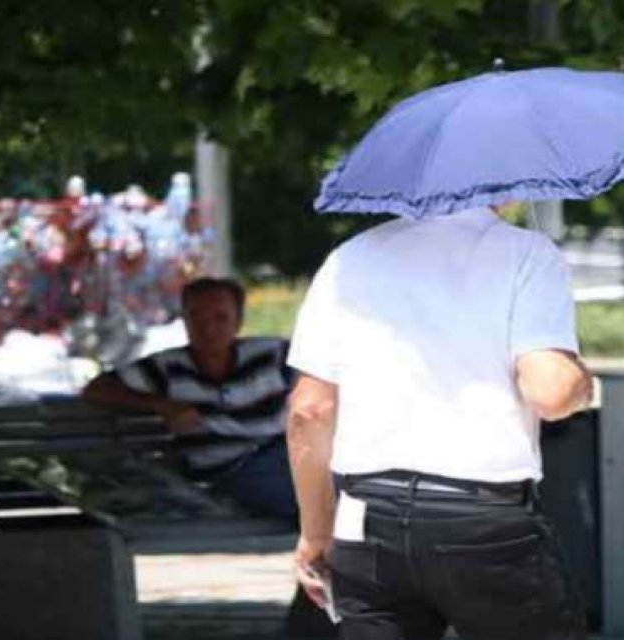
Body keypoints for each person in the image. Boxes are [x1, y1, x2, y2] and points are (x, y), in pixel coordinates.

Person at [286, 204, 593, 639]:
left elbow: (309, 409)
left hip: (366, 516)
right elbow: (552, 392)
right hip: (481, 516)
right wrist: (579, 378)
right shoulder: (527, 254)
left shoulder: (348, 259)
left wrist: (316, 531)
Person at [81, 276, 337, 639]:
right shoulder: (168, 368)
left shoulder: (273, 354)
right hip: (231, 471)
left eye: (220, 317)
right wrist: (161, 405)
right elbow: (96, 389)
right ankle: (313, 628)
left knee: (343, 511)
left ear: (238, 319)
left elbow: (325, 386)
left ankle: (312, 624)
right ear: (184, 319)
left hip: (284, 458)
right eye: (197, 317)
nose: (209, 327)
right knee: (331, 513)